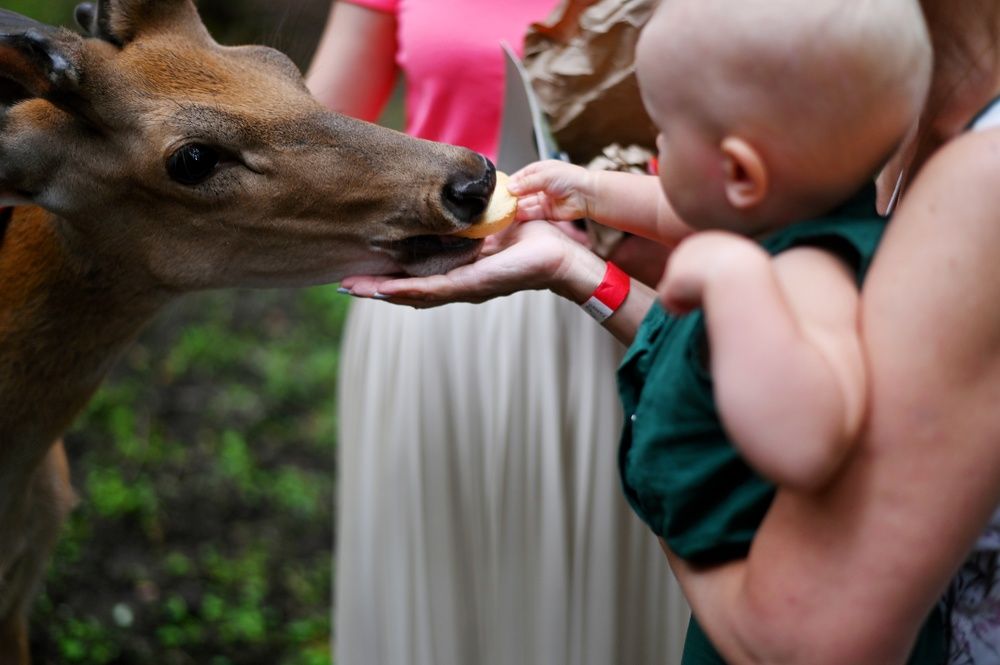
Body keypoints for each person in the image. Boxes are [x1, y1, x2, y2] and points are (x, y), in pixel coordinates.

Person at [341, 0, 1000, 661]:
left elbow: (806, 443)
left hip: (752, 617)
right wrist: (588, 193)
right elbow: (684, 203)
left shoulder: (809, 273)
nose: (654, 150)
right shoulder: (826, 187)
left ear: (740, 173)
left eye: (663, 135)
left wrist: (731, 284)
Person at [305, 2, 684, 664]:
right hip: (431, 326)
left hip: (614, 315)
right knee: (438, 580)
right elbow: (312, 139)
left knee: (595, 588)